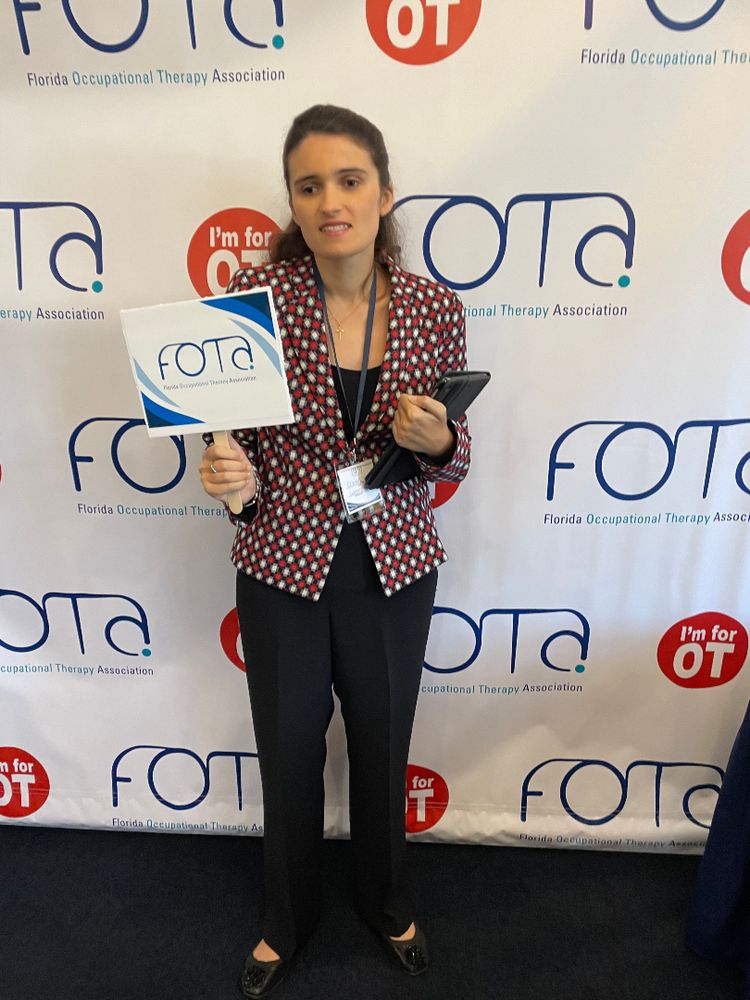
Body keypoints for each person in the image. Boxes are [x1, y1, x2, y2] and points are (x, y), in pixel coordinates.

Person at [199, 104, 471, 997]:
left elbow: (455, 451)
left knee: (384, 740)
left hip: (393, 563)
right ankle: (286, 918)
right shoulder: (254, 304)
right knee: (286, 745)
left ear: (384, 192)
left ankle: (388, 902)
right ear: (293, 201)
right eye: (308, 185)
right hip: (282, 561)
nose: (330, 201)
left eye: (349, 180)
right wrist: (228, 472)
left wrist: (434, 442)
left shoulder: (435, 308)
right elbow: (233, 443)